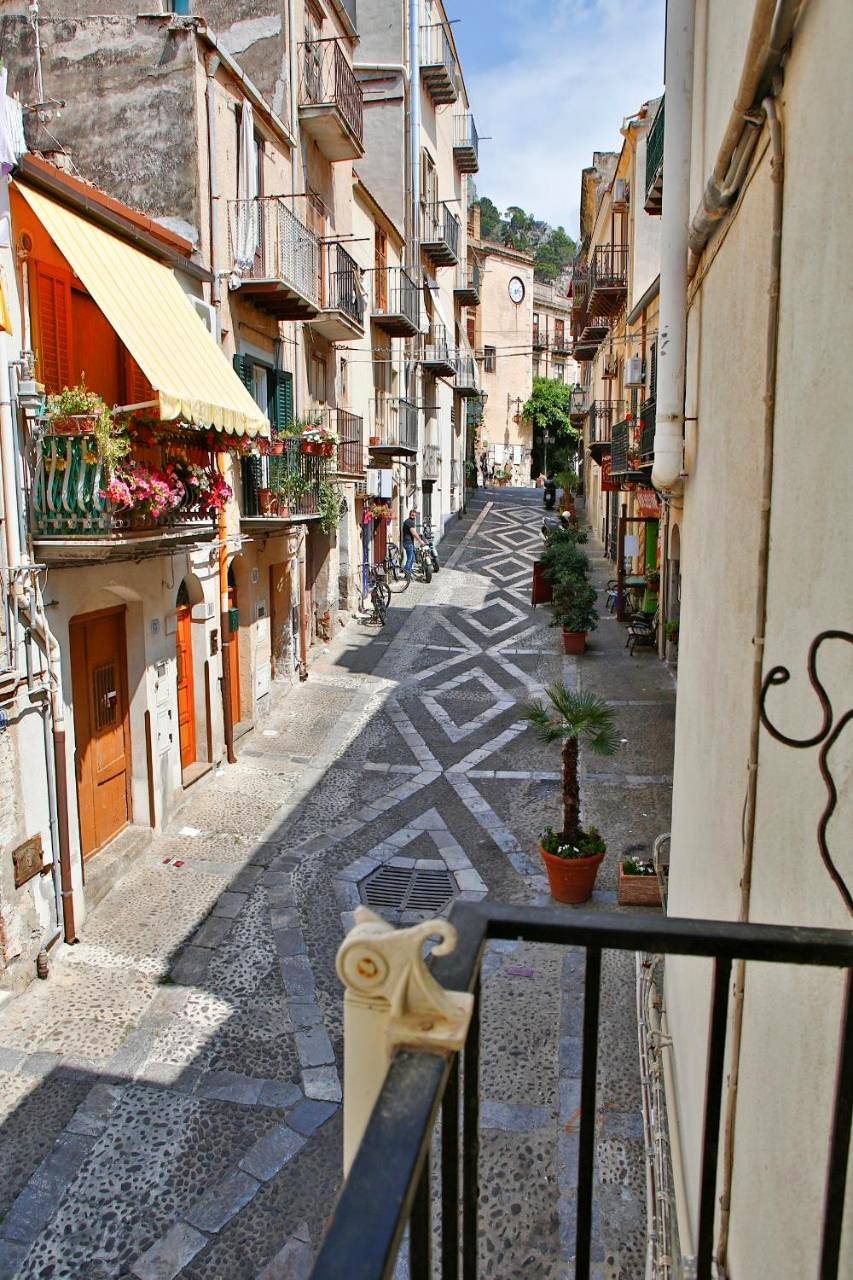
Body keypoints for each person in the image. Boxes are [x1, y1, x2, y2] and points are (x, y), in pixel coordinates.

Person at [401, 508, 424, 578]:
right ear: (410, 515)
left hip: (407, 542)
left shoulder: (406, 521)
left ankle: (408, 573)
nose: (413, 516)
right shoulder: (410, 522)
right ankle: (407, 574)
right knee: (409, 559)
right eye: (412, 515)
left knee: (412, 558)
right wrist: (421, 541)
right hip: (408, 543)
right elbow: (414, 533)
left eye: (414, 515)